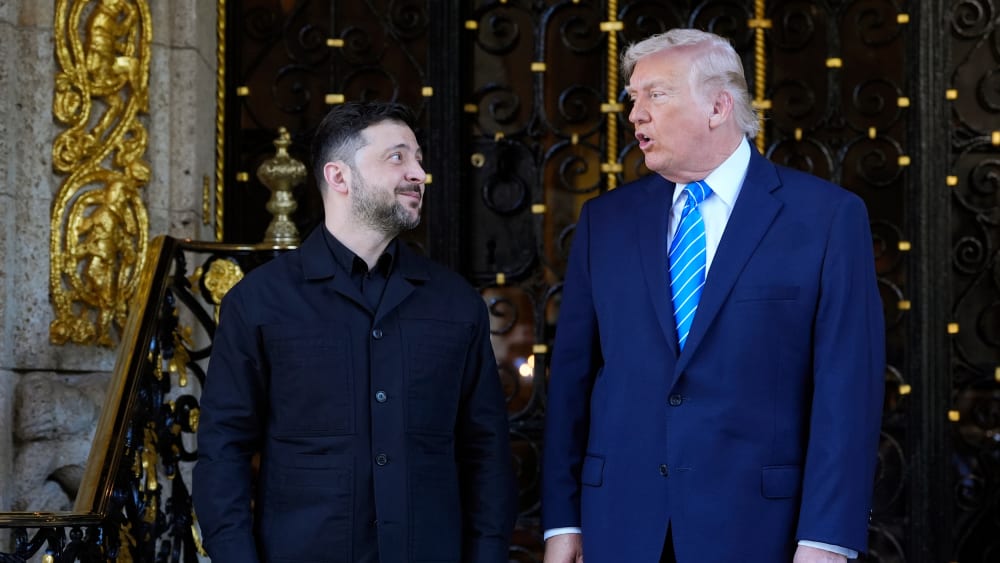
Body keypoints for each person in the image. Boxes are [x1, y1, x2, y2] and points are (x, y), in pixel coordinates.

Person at [541, 29, 884, 562]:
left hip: (761, 532)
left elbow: (847, 392)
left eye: (655, 95)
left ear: (719, 106)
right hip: (620, 529)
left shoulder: (827, 218)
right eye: (634, 98)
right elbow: (572, 382)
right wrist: (561, 522)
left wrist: (826, 540)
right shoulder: (604, 222)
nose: (635, 115)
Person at [193, 101, 517, 563]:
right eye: (397, 157)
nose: (419, 174)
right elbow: (223, 450)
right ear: (339, 177)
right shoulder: (258, 302)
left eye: (419, 159)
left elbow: (486, 451)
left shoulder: (456, 304)